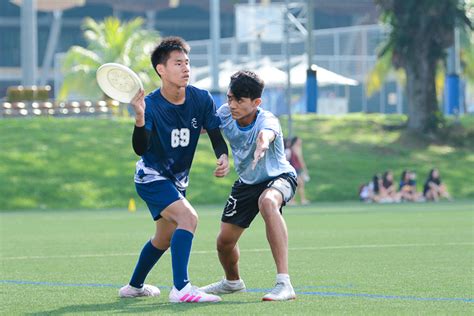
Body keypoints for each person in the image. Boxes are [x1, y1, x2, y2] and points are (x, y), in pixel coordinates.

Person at [118, 36, 229, 303]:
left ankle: (134, 286)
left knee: (164, 237)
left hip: (176, 181)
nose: (186, 68)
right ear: (161, 70)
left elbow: (214, 133)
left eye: (187, 62)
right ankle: (181, 288)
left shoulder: (201, 98)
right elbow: (140, 148)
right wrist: (139, 117)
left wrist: (222, 155)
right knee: (188, 219)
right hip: (151, 177)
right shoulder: (152, 105)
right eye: (178, 63)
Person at [200, 70, 298, 301]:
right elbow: (203, 127)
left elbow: (266, 135)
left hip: (279, 177)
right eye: (229, 98)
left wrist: (261, 146)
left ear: (256, 102)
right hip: (247, 182)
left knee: (267, 202)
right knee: (224, 242)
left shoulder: (267, 120)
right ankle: (232, 282)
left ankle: (284, 283)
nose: (232, 104)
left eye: (239, 100)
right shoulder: (225, 113)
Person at [286, 136, 310, 205]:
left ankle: (300, 200)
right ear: (296, 141)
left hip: (293, 169)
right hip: (296, 169)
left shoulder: (291, 148)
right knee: (299, 185)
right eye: (299, 140)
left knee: (299, 185)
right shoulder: (297, 148)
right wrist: (305, 169)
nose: (300, 141)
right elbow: (300, 160)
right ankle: (295, 200)